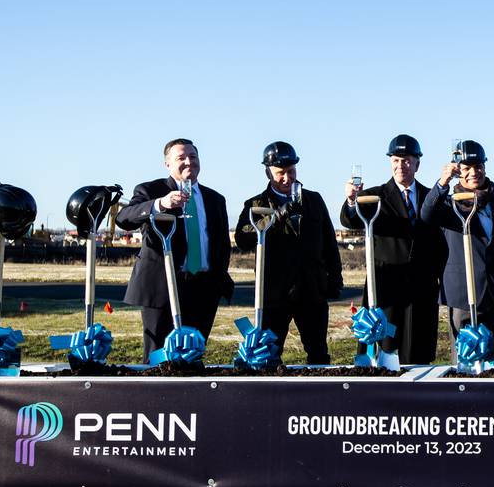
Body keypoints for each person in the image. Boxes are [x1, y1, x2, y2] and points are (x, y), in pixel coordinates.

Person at [116, 138, 234, 362]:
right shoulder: (151, 190)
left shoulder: (215, 199)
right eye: (181, 157)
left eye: (193, 156)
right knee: (158, 357)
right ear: (167, 164)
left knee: (193, 355)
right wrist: (160, 204)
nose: (189, 161)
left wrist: (217, 281)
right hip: (163, 288)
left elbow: (221, 245)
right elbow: (124, 218)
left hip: (204, 289)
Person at [339, 134, 447, 364]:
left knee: (417, 353)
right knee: (385, 350)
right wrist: (351, 201)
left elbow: (441, 244)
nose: (401, 166)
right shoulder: (374, 196)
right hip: (386, 289)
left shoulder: (433, 197)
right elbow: (352, 221)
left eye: (407, 160)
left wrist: (434, 276)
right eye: (396, 160)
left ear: (417, 163)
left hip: (422, 290)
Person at [232, 141, 343, 365]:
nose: (287, 178)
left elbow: (329, 243)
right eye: (280, 173)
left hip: (311, 290)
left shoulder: (314, 200)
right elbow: (243, 239)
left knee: (319, 353)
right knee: (269, 355)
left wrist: (335, 278)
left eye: (291, 171)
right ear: (268, 173)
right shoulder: (256, 204)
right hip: (274, 294)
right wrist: (278, 215)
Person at [419, 140, 494, 361]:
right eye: (467, 168)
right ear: (459, 172)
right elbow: (426, 215)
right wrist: (443, 182)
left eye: (478, 167)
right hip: (463, 294)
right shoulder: (449, 205)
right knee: (464, 360)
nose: (474, 173)